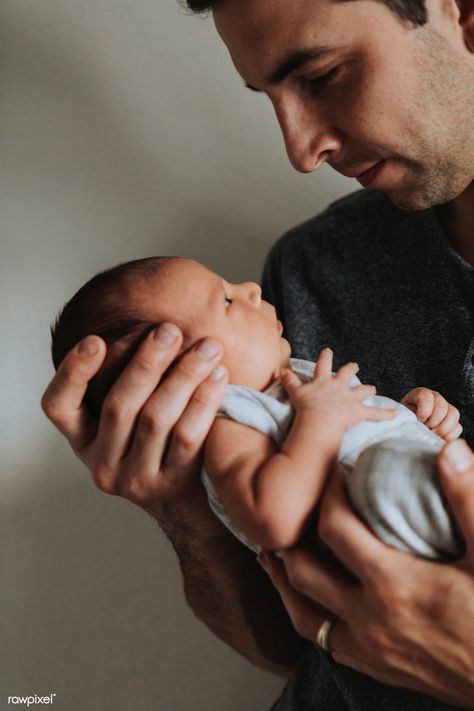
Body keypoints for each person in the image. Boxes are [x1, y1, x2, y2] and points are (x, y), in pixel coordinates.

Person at [41, 0, 474, 708]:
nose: (300, 151)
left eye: (324, 74)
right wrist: (182, 504)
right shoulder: (309, 274)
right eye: (269, 97)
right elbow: (288, 642)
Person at [51, 255, 462, 560]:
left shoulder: (291, 379)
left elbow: (365, 433)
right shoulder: (231, 424)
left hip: (443, 515)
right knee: (383, 470)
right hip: (400, 554)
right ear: (181, 375)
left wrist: (419, 424)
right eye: (227, 302)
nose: (250, 288)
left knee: (394, 464)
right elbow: (273, 519)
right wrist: (320, 422)